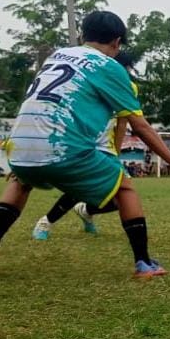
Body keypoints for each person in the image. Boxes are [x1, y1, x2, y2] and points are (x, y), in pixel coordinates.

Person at [0, 11, 170, 279]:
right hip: (62, 148)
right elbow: (141, 127)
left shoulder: (56, 56)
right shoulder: (110, 67)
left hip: (19, 147)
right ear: (117, 41)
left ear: (82, 36)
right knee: (125, 188)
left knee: (20, 182)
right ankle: (144, 263)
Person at [31, 50, 139, 240]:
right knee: (77, 189)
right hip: (85, 141)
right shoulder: (92, 78)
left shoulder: (129, 88)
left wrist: (116, 151)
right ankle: (46, 222)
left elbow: (123, 122)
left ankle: (86, 211)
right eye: (127, 67)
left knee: (119, 197)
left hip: (107, 147)